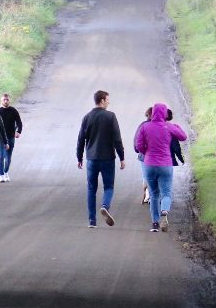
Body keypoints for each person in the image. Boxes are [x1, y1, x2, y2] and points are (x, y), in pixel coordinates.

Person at [134, 102, 187, 232]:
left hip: (149, 164)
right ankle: (164, 211)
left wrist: (147, 152)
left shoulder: (145, 127)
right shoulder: (168, 126)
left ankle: (155, 224)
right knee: (166, 192)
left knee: (153, 194)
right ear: (165, 114)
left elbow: (139, 145)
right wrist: (177, 126)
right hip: (165, 164)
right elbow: (183, 137)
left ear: (152, 114)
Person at [76, 90, 125, 228]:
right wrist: (122, 157)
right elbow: (117, 139)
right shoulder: (110, 117)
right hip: (108, 158)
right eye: (107, 99)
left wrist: (79, 157)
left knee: (91, 189)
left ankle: (92, 221)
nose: (109, 102)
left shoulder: (87, 117)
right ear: (102, 100)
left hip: (91, 158)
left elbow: (80, 139)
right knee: (108, 186)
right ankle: (105, 206)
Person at [0, 93, 23, 182]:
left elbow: (19, 122)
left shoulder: (13, 111)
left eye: (7, 100)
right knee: (0, 156)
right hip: (0, 138)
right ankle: (1, 174)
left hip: (10, 136)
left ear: (9, 100)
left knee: (8, 157)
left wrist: (18, 131)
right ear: (1, 101)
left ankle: (6, 172)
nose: (6, 101)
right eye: (4, 100)